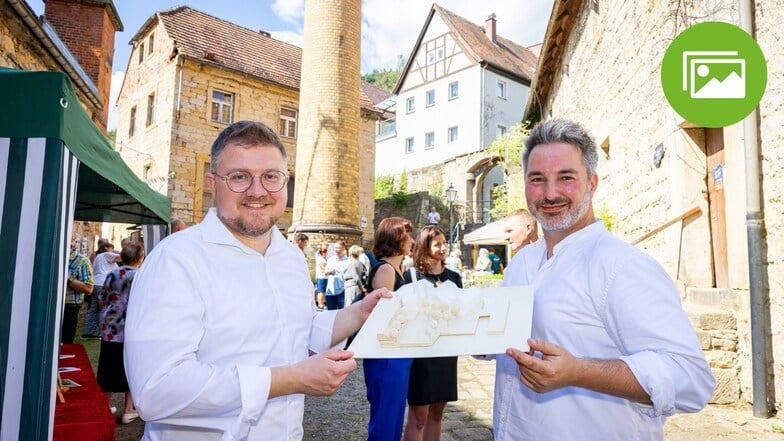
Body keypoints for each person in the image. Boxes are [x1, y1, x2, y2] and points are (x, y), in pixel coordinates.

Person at [124, 120, 390, 440]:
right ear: (213, 182)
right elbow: (156, 391)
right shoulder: (176, 260)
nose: (257, 191)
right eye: (239, 177)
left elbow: (298, 330)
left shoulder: (290, 257)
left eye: (270, 177)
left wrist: (359, 313)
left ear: (285, 182)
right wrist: (289, 380)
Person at [491, 118, 715, 440]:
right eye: (537, 179)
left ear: (592, 183)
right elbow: (500, 332)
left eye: (566, 177)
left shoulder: (622, 266)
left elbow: (691, 380)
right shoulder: (521, 263)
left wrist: (578, 372)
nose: (550, 193)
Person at [403, 225, 462, 441]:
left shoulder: (454, 277)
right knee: (419, 416)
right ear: (424, 246)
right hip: (421, 354)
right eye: (437, 244)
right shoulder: (411, 276)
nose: (443, 247)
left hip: (446, 352)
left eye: (445, 243)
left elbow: (462, 312)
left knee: (437, 414)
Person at [364, 217, 414, 441]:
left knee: (393, 418)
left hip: (397, 353)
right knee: (384, 421)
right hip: (386, 355)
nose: (411, 240)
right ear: (396, 239)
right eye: (407, 236)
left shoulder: (397, 268)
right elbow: (382, 318)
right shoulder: (386, 270)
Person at [96, 241, 144, 424]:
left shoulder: (111, 274)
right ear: (140, 257)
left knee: (106, 368)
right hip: (131, 330)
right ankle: (128, 409)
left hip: (109, 329)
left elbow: (102, 300)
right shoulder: (140, 276)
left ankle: (105, 405)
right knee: (131, 369)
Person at [81, 239, 120, 339]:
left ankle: (87, 332)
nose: (112, 250)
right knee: (104, 308)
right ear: (106, 248)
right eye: (111, 248)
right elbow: (121, 257)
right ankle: (102, 333)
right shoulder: (107, 254)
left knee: (93, 309)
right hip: (103, 284)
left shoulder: (98, 257)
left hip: (96, 284)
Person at [62, 238, 94, 344]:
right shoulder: (52, 258)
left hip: (69, 306)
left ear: (73, 246)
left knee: (65, 342)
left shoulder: (82, 261)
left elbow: (88, 289)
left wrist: (67, 278)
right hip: (49, 305)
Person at [325, 241, 349, 310]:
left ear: (343, 248)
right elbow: (325, 271)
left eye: (338, 248)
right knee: (330, 314)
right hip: (330, 291)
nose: (335, 250)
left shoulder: (348, 261)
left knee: (342, 313)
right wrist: (329, 271)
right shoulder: (331, 259)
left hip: (342, 291)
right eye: (335, 248)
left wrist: (334, 270)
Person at [314, 244, 329, 310]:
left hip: (325, 277)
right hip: (322, 277)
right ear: (323, 252)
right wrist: (330, 270)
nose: (327, 253)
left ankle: (322, 302)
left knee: (323, 291)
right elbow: (324, 268)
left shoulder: (323, 258)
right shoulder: (321, 259)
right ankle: (320, 304)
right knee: (321, 291)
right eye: (326, 251)